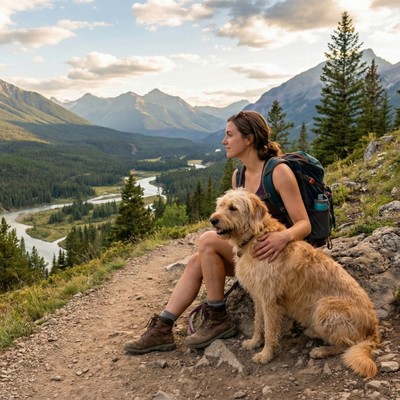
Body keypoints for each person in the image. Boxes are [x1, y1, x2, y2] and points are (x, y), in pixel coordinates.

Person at [124, 110, 311, 354]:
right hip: (252, 256)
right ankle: (164, 326)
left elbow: (304, 224)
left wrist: (282, 237)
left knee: (207, 241)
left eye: (229, 135)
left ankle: (217, 318)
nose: (224, 141)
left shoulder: (278, 172)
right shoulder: (239, 175)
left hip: (278, 259)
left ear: (249, 139)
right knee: (196, 260)